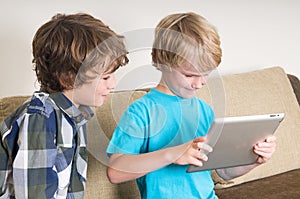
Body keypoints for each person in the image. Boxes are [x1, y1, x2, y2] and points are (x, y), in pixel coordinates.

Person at [106, 12, 276, 199]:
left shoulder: (204, 111)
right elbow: (115, 172)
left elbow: (224, 173)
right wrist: (173, 154)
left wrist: (254, 160)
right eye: (189, 75)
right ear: (163, 63)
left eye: (206, 74)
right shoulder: (141, 111)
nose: (200, 83)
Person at [0, 13, 128, 199]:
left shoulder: (76, 115)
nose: (113, 84)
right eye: (106, 77)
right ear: (68, 77)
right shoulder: (40, 119)